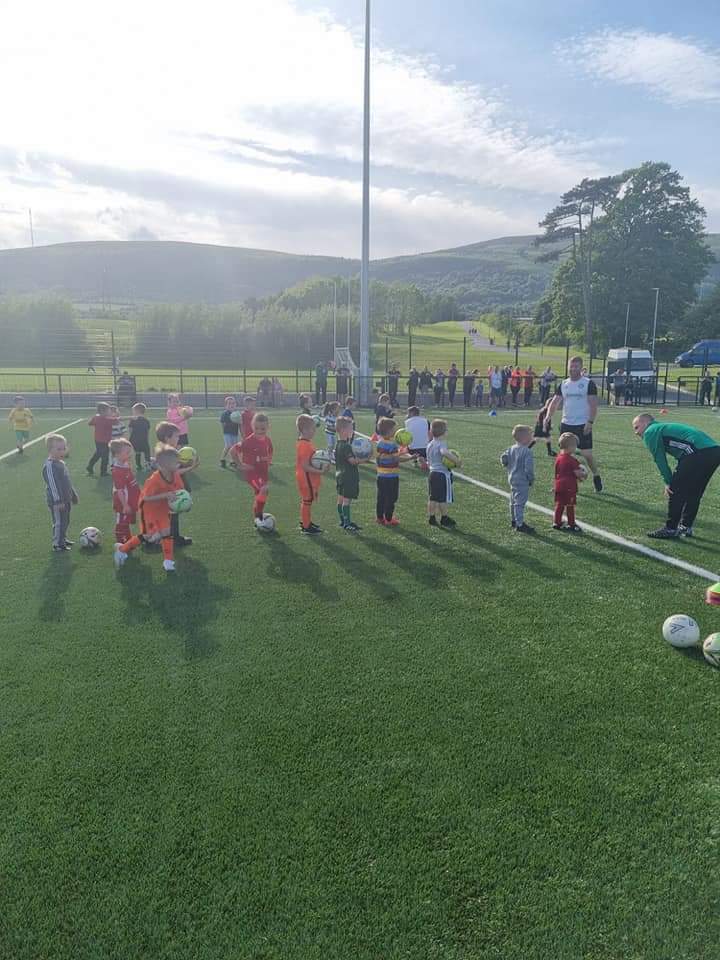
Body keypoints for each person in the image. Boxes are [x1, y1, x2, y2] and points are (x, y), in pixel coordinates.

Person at [632, 413, 720, 539]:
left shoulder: (650, 431)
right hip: (714, 451)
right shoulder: (661, 427)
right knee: (694, 492)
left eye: (637, 427)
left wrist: (668, 482)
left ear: (646, 423)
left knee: (675, 490)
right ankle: (685, 527)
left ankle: (670, 528)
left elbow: (660, 459)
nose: (636, 433)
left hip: (697, 452)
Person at [114, 445, 184, 573]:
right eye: (175, 462)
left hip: (162, 509)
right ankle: (122, 549)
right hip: (148, 509)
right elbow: (146, 498)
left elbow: (180, 492)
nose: (179, 464)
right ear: (164, 466)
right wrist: (165, 495)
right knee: (148, 536)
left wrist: (183, 503)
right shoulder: (154, 480)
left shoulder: (176, 475)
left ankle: (168, 561)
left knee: (167, 532)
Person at [544, 355, 603, 491]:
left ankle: (596, 476)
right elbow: (555, 402)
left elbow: (593, 405)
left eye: (576, 366)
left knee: (587, 455)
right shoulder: (564, 384)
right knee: (563, 457)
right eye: (571, 366)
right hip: (566, 424)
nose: (573, 369)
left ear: (581, 368)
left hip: (583, 424)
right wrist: (548, 416)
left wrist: (590, 422)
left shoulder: (588, 383)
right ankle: (559, 483)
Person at [156, 421, 198, 547]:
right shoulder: (165, 453)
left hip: (176, 485)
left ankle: (173, 537)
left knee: (174, 513)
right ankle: (169, 538)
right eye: (176, 436)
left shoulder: (171, 450)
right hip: (170, 486)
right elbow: (174, 472)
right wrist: (191, 467)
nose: (178, 439)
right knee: (171, 513)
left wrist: (186, 462)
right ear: (167, 438)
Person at [231, 412, 274, 525]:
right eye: (256, 428)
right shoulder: (248, 441)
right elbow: (233, 451)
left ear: (268, 427)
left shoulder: (267, 440)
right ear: (252, 426)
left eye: (263, 428)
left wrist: (268, 460)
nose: (259, 431)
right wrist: (240, 465)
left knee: (260, 494)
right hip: (252, 473)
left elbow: (270, 451)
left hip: (263, 473)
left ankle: (258, 517)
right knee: (264, 489)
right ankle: (258, 517)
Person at [43, 433, 78, 552]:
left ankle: (62, 538)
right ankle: (57, 544)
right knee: (59, 522)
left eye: (64, 448)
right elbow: (53, 485)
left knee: (65, 520)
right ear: (50, 450)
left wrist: (73, 494)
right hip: (57, 502)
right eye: (58, 449)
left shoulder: (61, 463)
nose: (62, 451)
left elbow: (66, 481)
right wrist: (58, 501)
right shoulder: (50, 466)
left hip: (66, 499)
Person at [295, 413, 327, 534]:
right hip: (306, 478)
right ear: (304, 430)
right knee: (307, 501)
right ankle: (306, 526)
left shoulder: (306, 442)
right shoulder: (304, 445)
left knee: (307, 501)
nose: (314, 431)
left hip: (307, 477)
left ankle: (306, 521)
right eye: (312, 429)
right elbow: (305, 466)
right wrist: (320, 471)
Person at [500, 424, 535, 533]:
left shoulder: (511, 448)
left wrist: (506, 464)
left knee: (512, 500)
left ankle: (514, 520)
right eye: (530, 436)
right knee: (519, 503)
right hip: (522, 480)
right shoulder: (527, 451)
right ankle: (520, 524)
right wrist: (530, 479)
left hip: (512, 478)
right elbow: (528, 469)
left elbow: (503, 458)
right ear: (525, 438)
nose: (532, 438)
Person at [426, 418, 460, 528]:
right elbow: (444, 452)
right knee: (442, 498)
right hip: (442, 475)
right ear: (444, 432)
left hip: (432, 473)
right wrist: (456, 461)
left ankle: (431, 517)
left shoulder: (430, 444)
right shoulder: (441, 443)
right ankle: (444, 518)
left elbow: (429, 460)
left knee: (433, 497)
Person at [553, 432, 585, 532]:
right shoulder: (572, 460)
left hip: (559, 485)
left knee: (559, 504)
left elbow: (557, 472)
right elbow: (578, 474)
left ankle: (557, 522)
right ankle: (571, 524)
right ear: (571, 447)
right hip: (569, 487)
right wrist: (584, 475)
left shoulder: (558, 458)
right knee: (570, 505)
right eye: (575, 446)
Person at [334, 416, 361, 532]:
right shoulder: (346, 446)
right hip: (348, 477)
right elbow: (353, 461)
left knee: (340, 498)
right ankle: (347, 523)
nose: (352, 431)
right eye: (351, 428)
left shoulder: (338, 444)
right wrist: (365, 458)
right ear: (343, 430)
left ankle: (343, 520)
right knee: (346, 500)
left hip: (340, 476)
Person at [110, 438, 140, 544]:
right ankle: (121, 544)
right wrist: (125, 505)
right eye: (127, 452)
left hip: (131, 500)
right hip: (124, 502)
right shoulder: (117, 471)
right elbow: (120, 490)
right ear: (117, 454)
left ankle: (128, 540)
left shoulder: (125, 464)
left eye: (130, 452)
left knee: (126, 521)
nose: (130, 454)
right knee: (122, 522)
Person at [375, 417, 403, 526]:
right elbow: (396, 459)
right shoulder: (392, 445)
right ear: (389, 431)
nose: (395, 431)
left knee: (381, 497)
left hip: (381, 475)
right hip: (391, 476)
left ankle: (379, 517)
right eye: (394, 429)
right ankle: (389, 518)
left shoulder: (379, 443)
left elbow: (380, 457)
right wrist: (410, 457)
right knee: (391, 497)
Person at [86, 401, 117, 477]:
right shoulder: (107, 419)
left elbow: (90, 423)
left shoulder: (97, 418)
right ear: (103, 411)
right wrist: (131, 417)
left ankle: (90, 466)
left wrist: (95, 418)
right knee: (105, 456)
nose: (110, 411)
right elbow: (117, 420)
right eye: (108, 410)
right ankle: (103, 472)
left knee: (98, 453)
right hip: (104, 441)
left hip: (98, 440)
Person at [219, 395, 239, 468]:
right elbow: (222, 423)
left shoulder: (237, 414)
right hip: (227, 433)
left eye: (233, 403)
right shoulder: (225, 413)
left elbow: (239, 422)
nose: (231, 405)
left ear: (235, 404)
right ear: (226, 406)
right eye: (229, 403)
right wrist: (224, 430)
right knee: (228, 446)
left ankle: (232, 460)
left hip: (235, 433)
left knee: (234, 447)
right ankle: (222, 459)